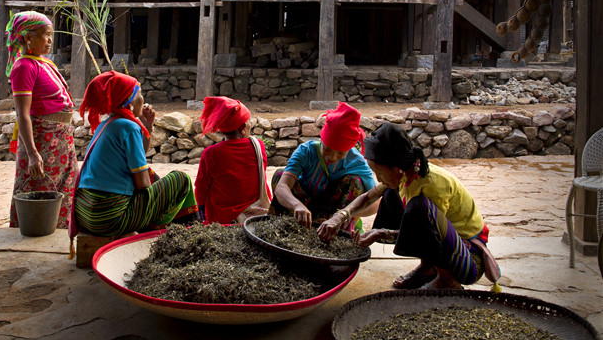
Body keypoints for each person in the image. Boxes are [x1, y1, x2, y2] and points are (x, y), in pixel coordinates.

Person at [326, 122, 499, 291]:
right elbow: (368, 197)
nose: (378, 179)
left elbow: (432, 232)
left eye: (379, 172)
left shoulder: (431, 184)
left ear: (397, 169)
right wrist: (340, 216)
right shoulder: (405, 174)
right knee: (390, 193)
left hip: (468, 260)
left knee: (419, 207)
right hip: (449, 249)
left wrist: (382, 233)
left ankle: (448, 280)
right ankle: (428, 268)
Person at [70, 71, 199, 241]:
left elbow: (139, 158)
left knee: (150, 173)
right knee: (181, 179)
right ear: (129, 102)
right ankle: (188, 234)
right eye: (139, 94)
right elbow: (142, 184)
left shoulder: (108, 124)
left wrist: (147, 126)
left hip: (87, 214)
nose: (143, 99)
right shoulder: (128, 127)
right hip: (109, 218)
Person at [7, 11, 77, 229]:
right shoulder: (24, 67)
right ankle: (33, 229)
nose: (50, 40)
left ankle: (58, 229)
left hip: (61, 138)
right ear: (28, 38)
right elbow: (23, 113)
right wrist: (32, 153)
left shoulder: (44, 63)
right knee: (38, 186)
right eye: (45, 35)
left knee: (65, 186)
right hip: (43, 140)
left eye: (51, 35)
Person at [270, 102, 378, 235]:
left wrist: (343, 214)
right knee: (280, 175)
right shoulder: (306, 152)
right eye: (327, 149)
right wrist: (296, 205)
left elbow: (375, 203)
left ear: (349, 149)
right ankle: (281, 231)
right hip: (303, 209)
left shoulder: (357, 162)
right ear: (322, 139)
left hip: (336, 218)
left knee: (355, 182)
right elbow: (282, 187)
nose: (332, 157)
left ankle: (339, 234)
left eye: (340, 153)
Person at [194, 96, 271, 224]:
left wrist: (201, 215)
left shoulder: (210, 154)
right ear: (242, 129)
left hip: (222, 221)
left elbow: (200, 190)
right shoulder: (258, 146)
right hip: (255, 216)